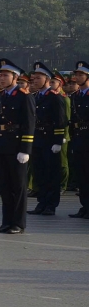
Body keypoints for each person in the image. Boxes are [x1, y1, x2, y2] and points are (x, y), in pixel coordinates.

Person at [0, 58, 35, 233]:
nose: (1, 78)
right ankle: (6, 221)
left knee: (18, 186)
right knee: (6, 186)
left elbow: (29, 123)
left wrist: (25, 149)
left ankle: (18, 223)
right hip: (3, 146)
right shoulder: (0, 96)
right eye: (0, 75)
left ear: (15, 77)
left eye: (5, 75)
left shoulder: (25, 96)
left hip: (17, 147)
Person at [28, 62, 67, 217]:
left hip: (50, 140)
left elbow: (60, 120)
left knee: (52, 173)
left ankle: (51, 204)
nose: (35, 81)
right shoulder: (34, 97)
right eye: (34, 78)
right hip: (37, 139)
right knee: (39, 173)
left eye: (38, 78)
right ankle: (41, 202)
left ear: (47, 80)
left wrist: (58, 141)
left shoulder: (55, 97)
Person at [69, 61, 89, 218]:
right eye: (76, 74)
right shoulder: (75, 96)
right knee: (81, 175)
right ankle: (84, 206)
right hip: (78, 138)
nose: (77, 77)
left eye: (81, 75)